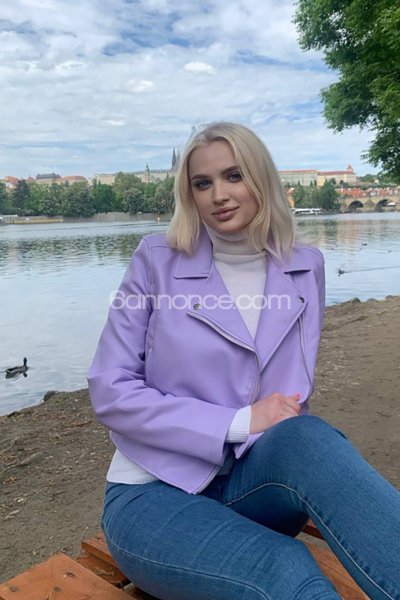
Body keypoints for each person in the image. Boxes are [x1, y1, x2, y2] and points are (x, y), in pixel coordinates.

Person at [88, 122, 400, 600]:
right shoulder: (156, 260)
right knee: (286, 569)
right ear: (189, 195)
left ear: (261, 179)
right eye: (202, 183)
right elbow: (110, 390)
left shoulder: (305, 266)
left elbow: (290, 394)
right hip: (152, 491)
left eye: (234, 175)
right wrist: (236, 422)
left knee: (311, 437)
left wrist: (279, 432)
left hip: (252, 483)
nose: (219, 195)